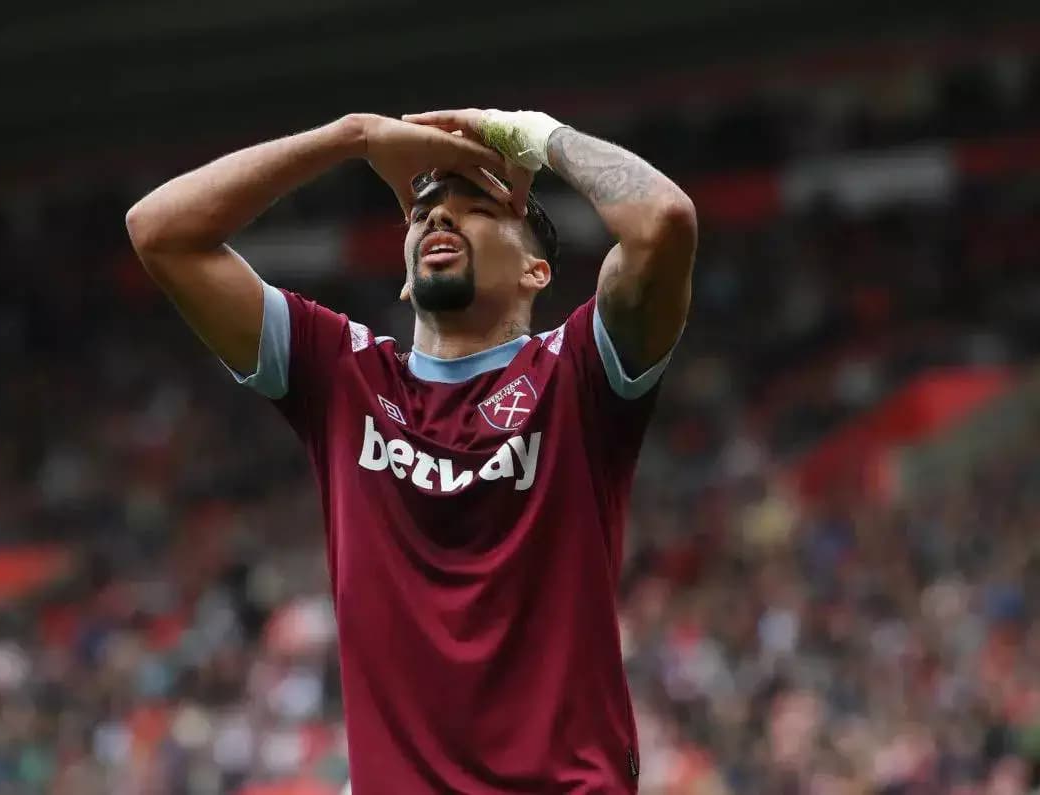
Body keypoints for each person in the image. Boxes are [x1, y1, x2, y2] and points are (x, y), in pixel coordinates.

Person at [126, 109, 696, 793]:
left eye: (478, 207)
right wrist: (351, 138)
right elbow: (159, 232)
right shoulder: (343, 373)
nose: (441, 219)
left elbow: (663, 220)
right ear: (403, 275)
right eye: (424, 210)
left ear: (535, 272)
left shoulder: (579, 376)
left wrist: (538, 136)